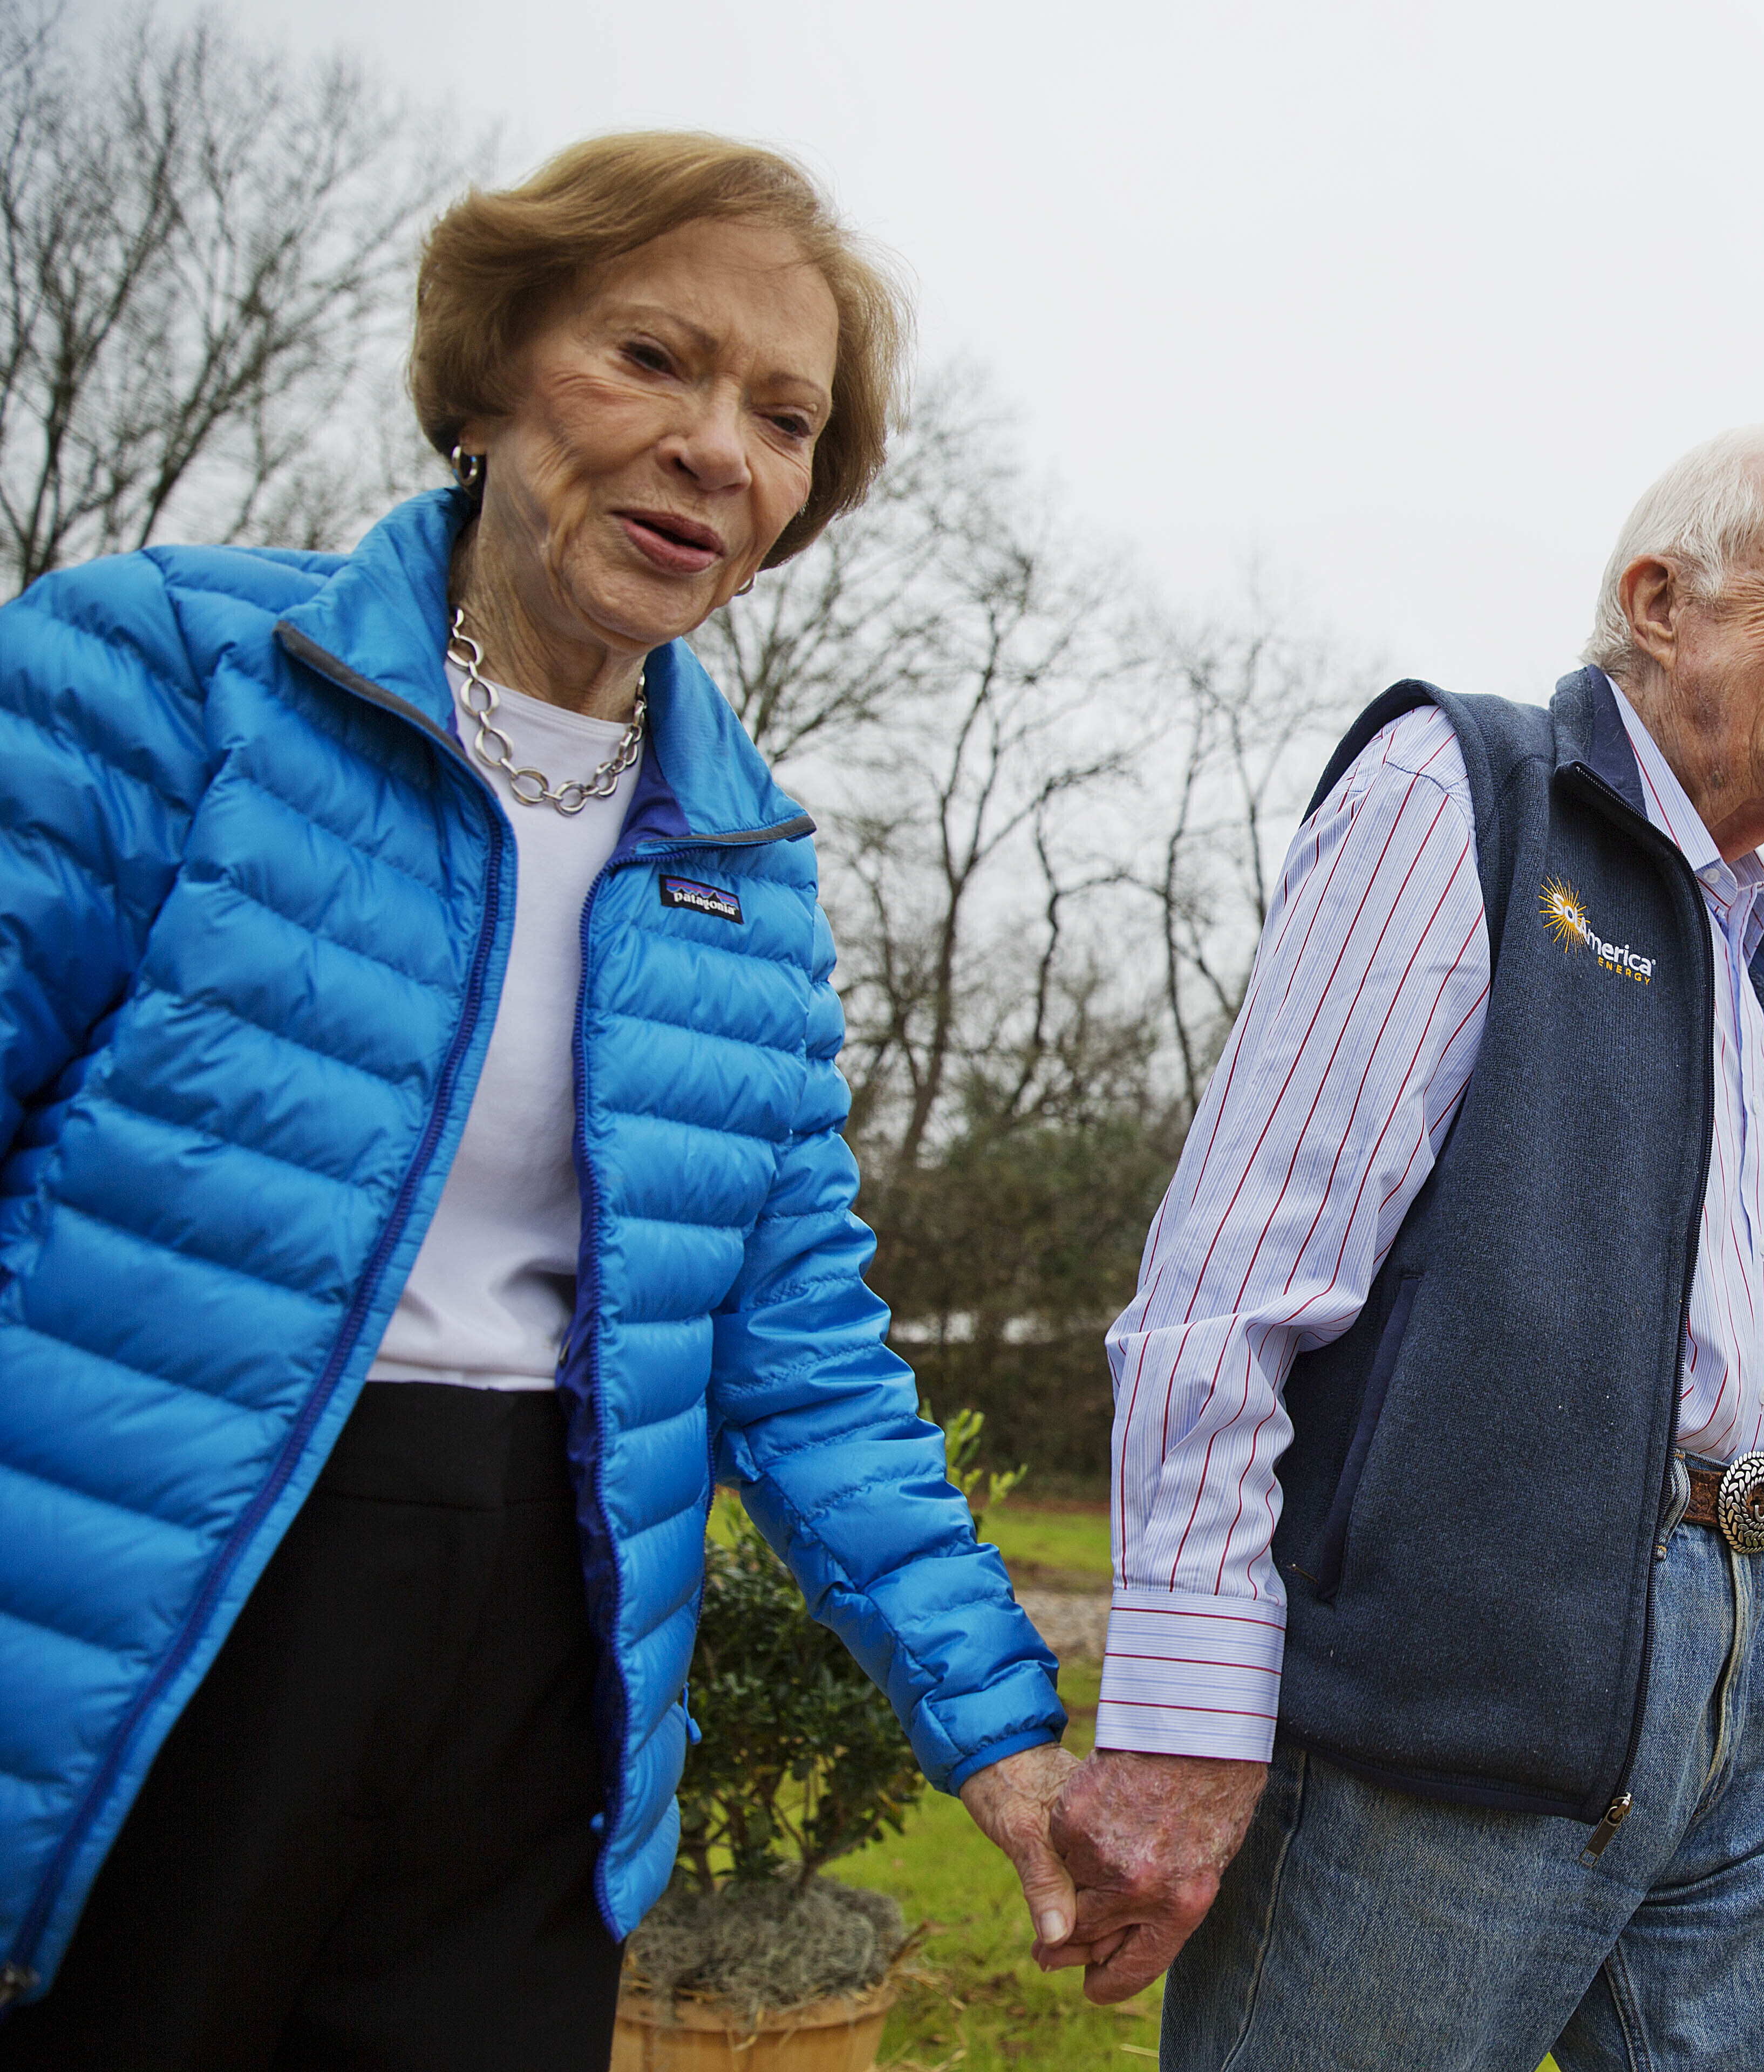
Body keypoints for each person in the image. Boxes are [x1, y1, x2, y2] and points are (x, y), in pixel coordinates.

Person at [0, 134, 1080, 2068]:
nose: (715, 449)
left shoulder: (743, 870)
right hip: (156, 1614)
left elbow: (802, 1350)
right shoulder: (163, 672)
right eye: (651, 360)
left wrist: (1000, 1733)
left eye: (782, 417)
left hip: (544, 1669)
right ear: (491, 371)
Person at [1047, 426, 1764, 2067]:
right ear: (1660, 604)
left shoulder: (1749, 949)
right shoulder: (1467, 791)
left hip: (1755, 1679)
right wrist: (1183, 1720)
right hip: (1455, 1694)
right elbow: (1225, 1295)